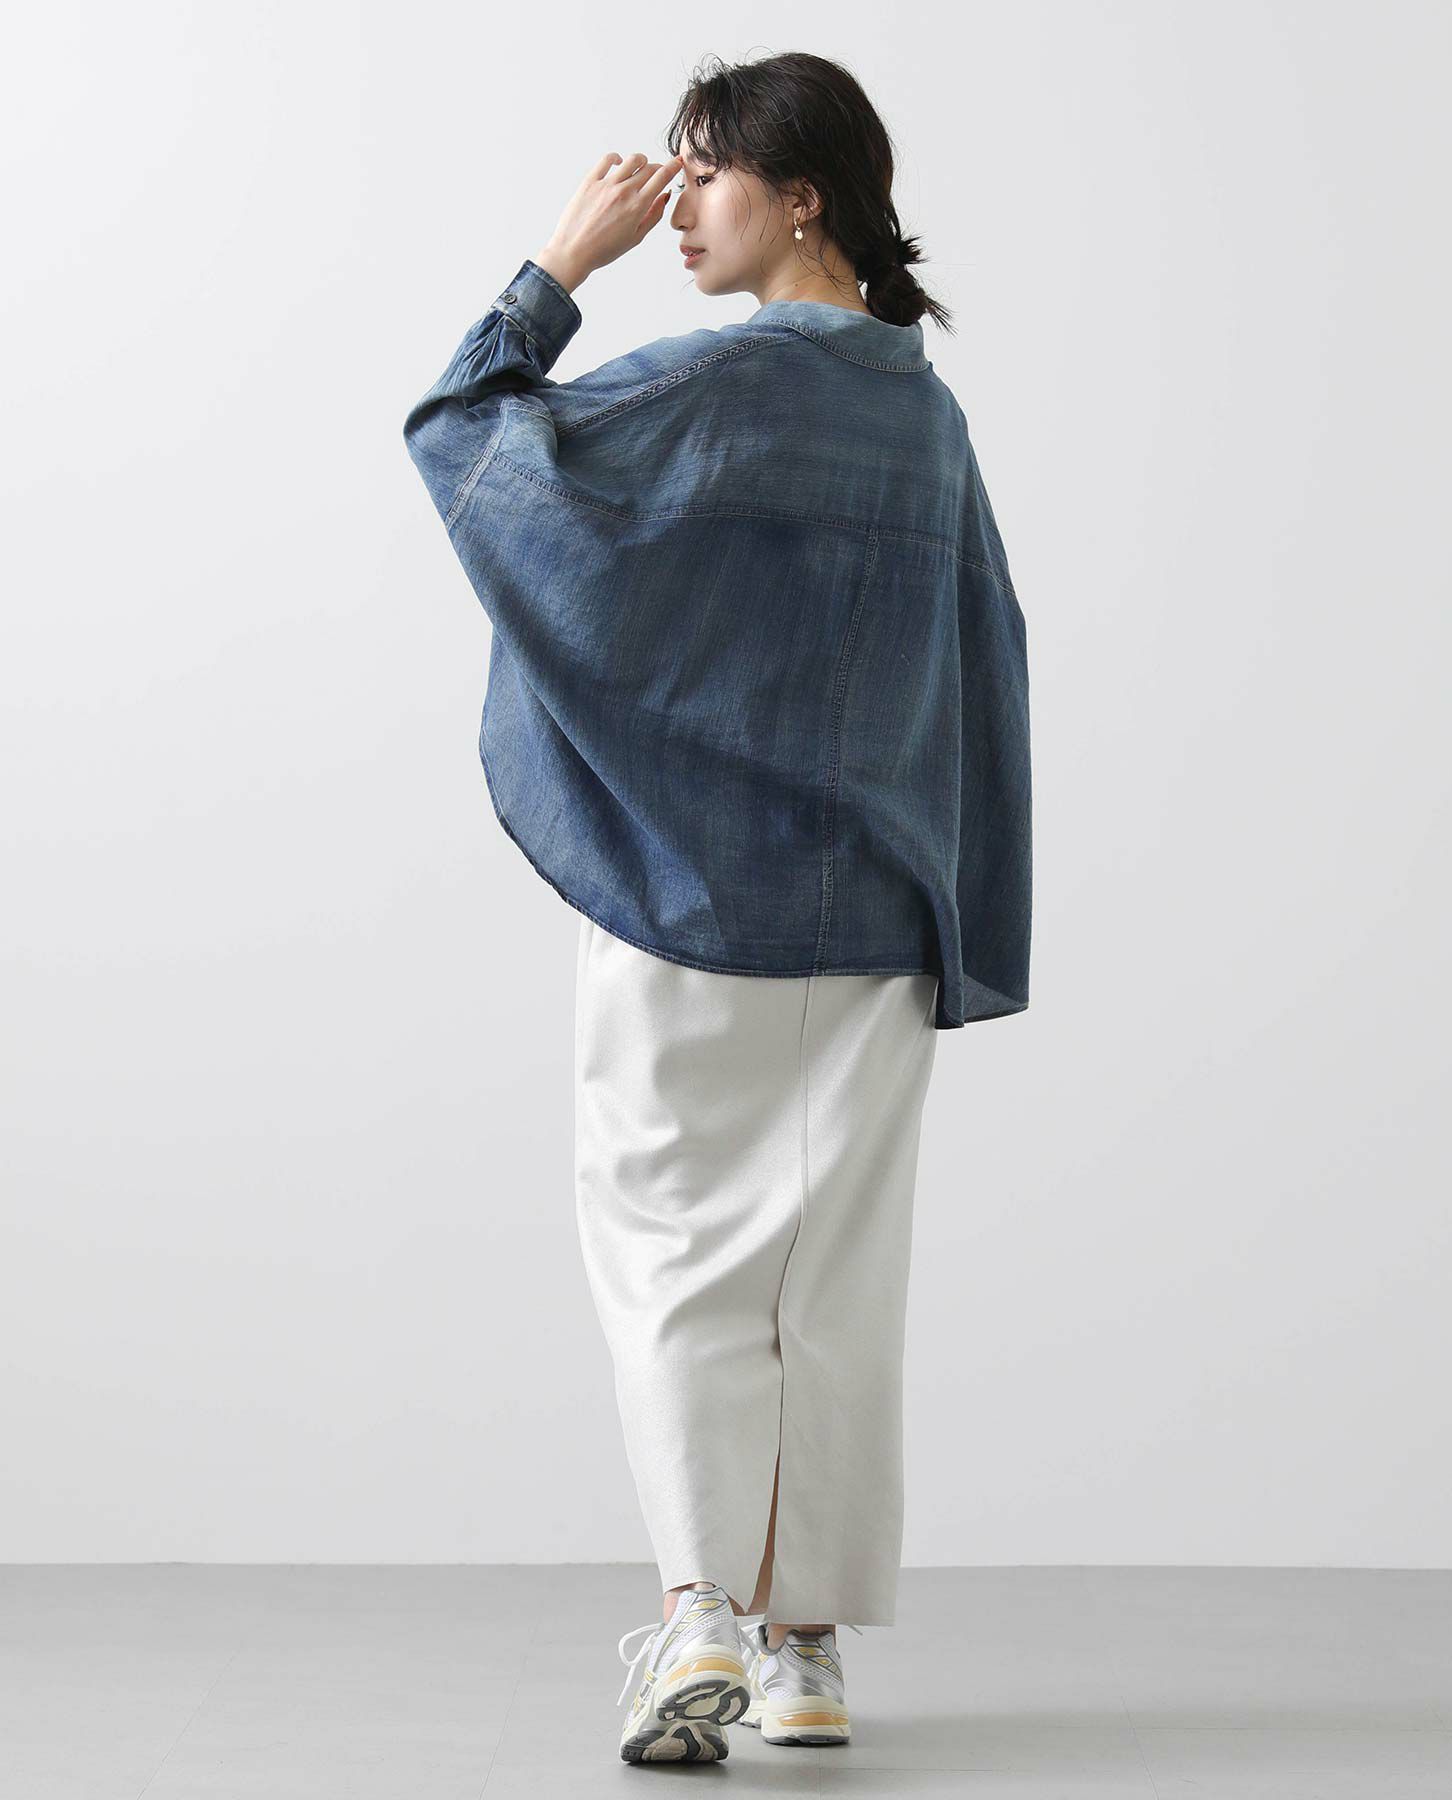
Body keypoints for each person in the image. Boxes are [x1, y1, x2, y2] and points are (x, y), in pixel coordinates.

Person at [402, 50, 1032, 1766]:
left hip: (692, 896)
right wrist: (966, 907)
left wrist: (559, 264)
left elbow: (466, 441)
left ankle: (698, 1617)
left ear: (800, 195)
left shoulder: (716, 383)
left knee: (677, 1260)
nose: (675, 203)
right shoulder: (922, 414)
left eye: (702, 172)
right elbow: (986, 662)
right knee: (831, 1287)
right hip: (880, 914)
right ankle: (806, 1654)